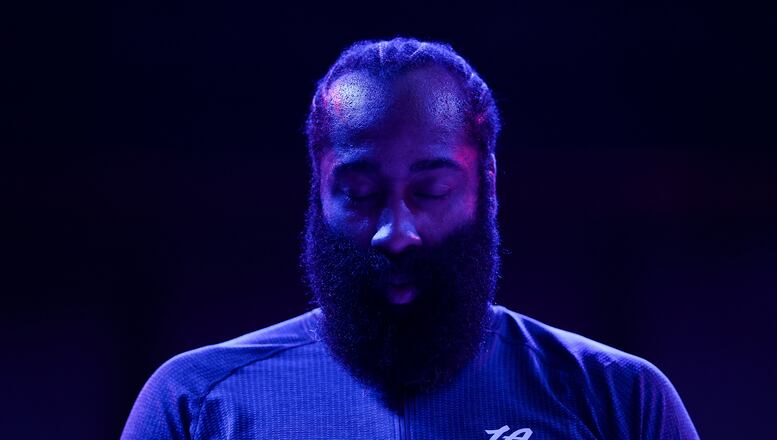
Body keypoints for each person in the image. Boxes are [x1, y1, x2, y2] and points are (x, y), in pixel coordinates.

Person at [121, 37, 700, 440]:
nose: (396, 232)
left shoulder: (618, 399)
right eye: (361, 192)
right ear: (318, 190)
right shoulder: (196, 405)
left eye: (429, 192)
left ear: (486, 185)